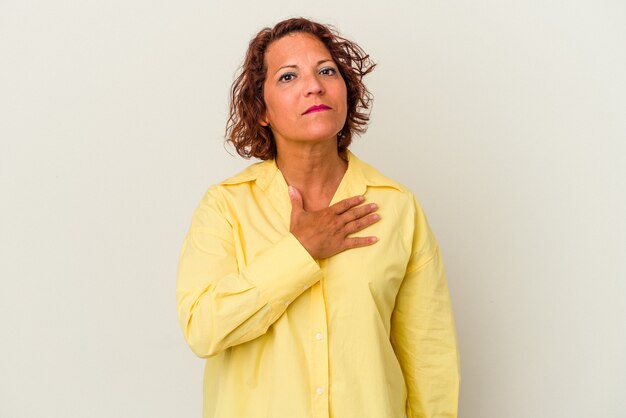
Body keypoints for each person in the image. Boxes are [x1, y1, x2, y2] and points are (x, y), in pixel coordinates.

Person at [176, 17, 460, 418]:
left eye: (327, 71)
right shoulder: (226, 207)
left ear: (347, 91)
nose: (314, 85)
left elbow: (430, 360)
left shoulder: (396, 207)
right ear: (262, 111)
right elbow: (203, 330)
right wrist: (299, 251)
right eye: (289, 76)